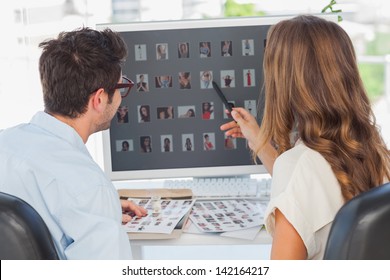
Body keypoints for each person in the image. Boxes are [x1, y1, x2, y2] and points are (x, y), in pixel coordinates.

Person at [220, 15, 390, 260]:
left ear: (284, 82)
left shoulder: (299, 167)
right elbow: (309, 187)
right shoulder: (373, 147)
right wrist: (260, 143)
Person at [0, 27, 147, 259]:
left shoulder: (4, 143)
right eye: (121, 88)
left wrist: (96, 215)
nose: (120, 98)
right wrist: (97, 208)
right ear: (99, 99)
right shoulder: (88, 188)